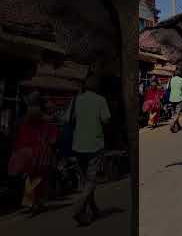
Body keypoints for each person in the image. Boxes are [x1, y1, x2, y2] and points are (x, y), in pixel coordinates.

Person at [67, 75, 111, 226]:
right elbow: (106, 119)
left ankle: (94, 209)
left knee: (85, 179)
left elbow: (71, 119)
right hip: (94, 144)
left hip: (78, 144)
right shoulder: (100, 100)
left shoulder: (77, 100)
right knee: (91, 180)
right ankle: (78, 206)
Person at [9, 91, 58, 215]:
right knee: (41, 177)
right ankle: (36, 202)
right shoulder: (46, 120)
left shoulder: (23, 120)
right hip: (41, 152)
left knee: (30, 177)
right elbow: (53, 138)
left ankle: (32, 202)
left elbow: (19, 137)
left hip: (25, 152)